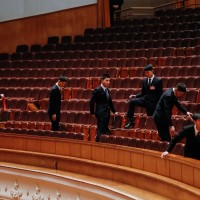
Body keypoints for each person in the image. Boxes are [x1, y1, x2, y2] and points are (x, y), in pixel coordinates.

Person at [125, 64, 163, 129]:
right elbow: (143, 93)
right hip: (145, 99)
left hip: (153, 102)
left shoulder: (158, 81)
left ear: (152, 71)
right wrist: (135, 96)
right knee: (132, 101)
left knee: (150, 117)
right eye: (145, 73)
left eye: (147, 72)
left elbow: (160, 94)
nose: (146, 74)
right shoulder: (145, 80)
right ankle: (131, 121)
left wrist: (158, 105)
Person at [90, 74, 117, 142]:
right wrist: (92, 112)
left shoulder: (107, 90)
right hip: (101, 113)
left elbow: (110, 102)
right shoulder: (97, 90)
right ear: (102, 81)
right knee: (100, 130)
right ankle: (98, 145)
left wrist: (114, 111)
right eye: (106, 80)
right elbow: (91, 102)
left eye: (109, 81)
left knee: (104, 129)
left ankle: (103, 144)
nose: (108, 82)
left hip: (106, 113)